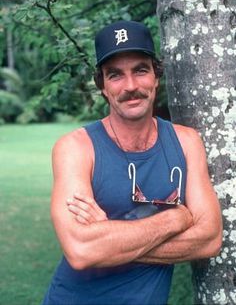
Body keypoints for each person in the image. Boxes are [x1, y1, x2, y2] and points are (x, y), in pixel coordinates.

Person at [42, 20, 222, 305]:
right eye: (115, 75)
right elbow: (81, 250)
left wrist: (110, 240)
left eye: (140, 70)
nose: (131, 86)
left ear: (156, 76)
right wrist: (176, 218)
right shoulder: (76, 148)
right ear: (102, 85)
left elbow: (210, 239)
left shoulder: (186, 142)